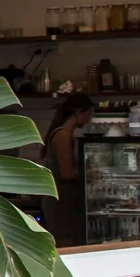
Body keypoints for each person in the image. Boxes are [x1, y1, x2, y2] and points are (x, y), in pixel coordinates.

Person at [41, 94, 95, 247]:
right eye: (88, 114)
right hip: (60, 202)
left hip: (66, 201)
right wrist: (89, 174)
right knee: (65, 247)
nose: (88, 119)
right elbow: (67, 173)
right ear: (78, 112)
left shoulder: (66, 135)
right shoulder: (62, 136)